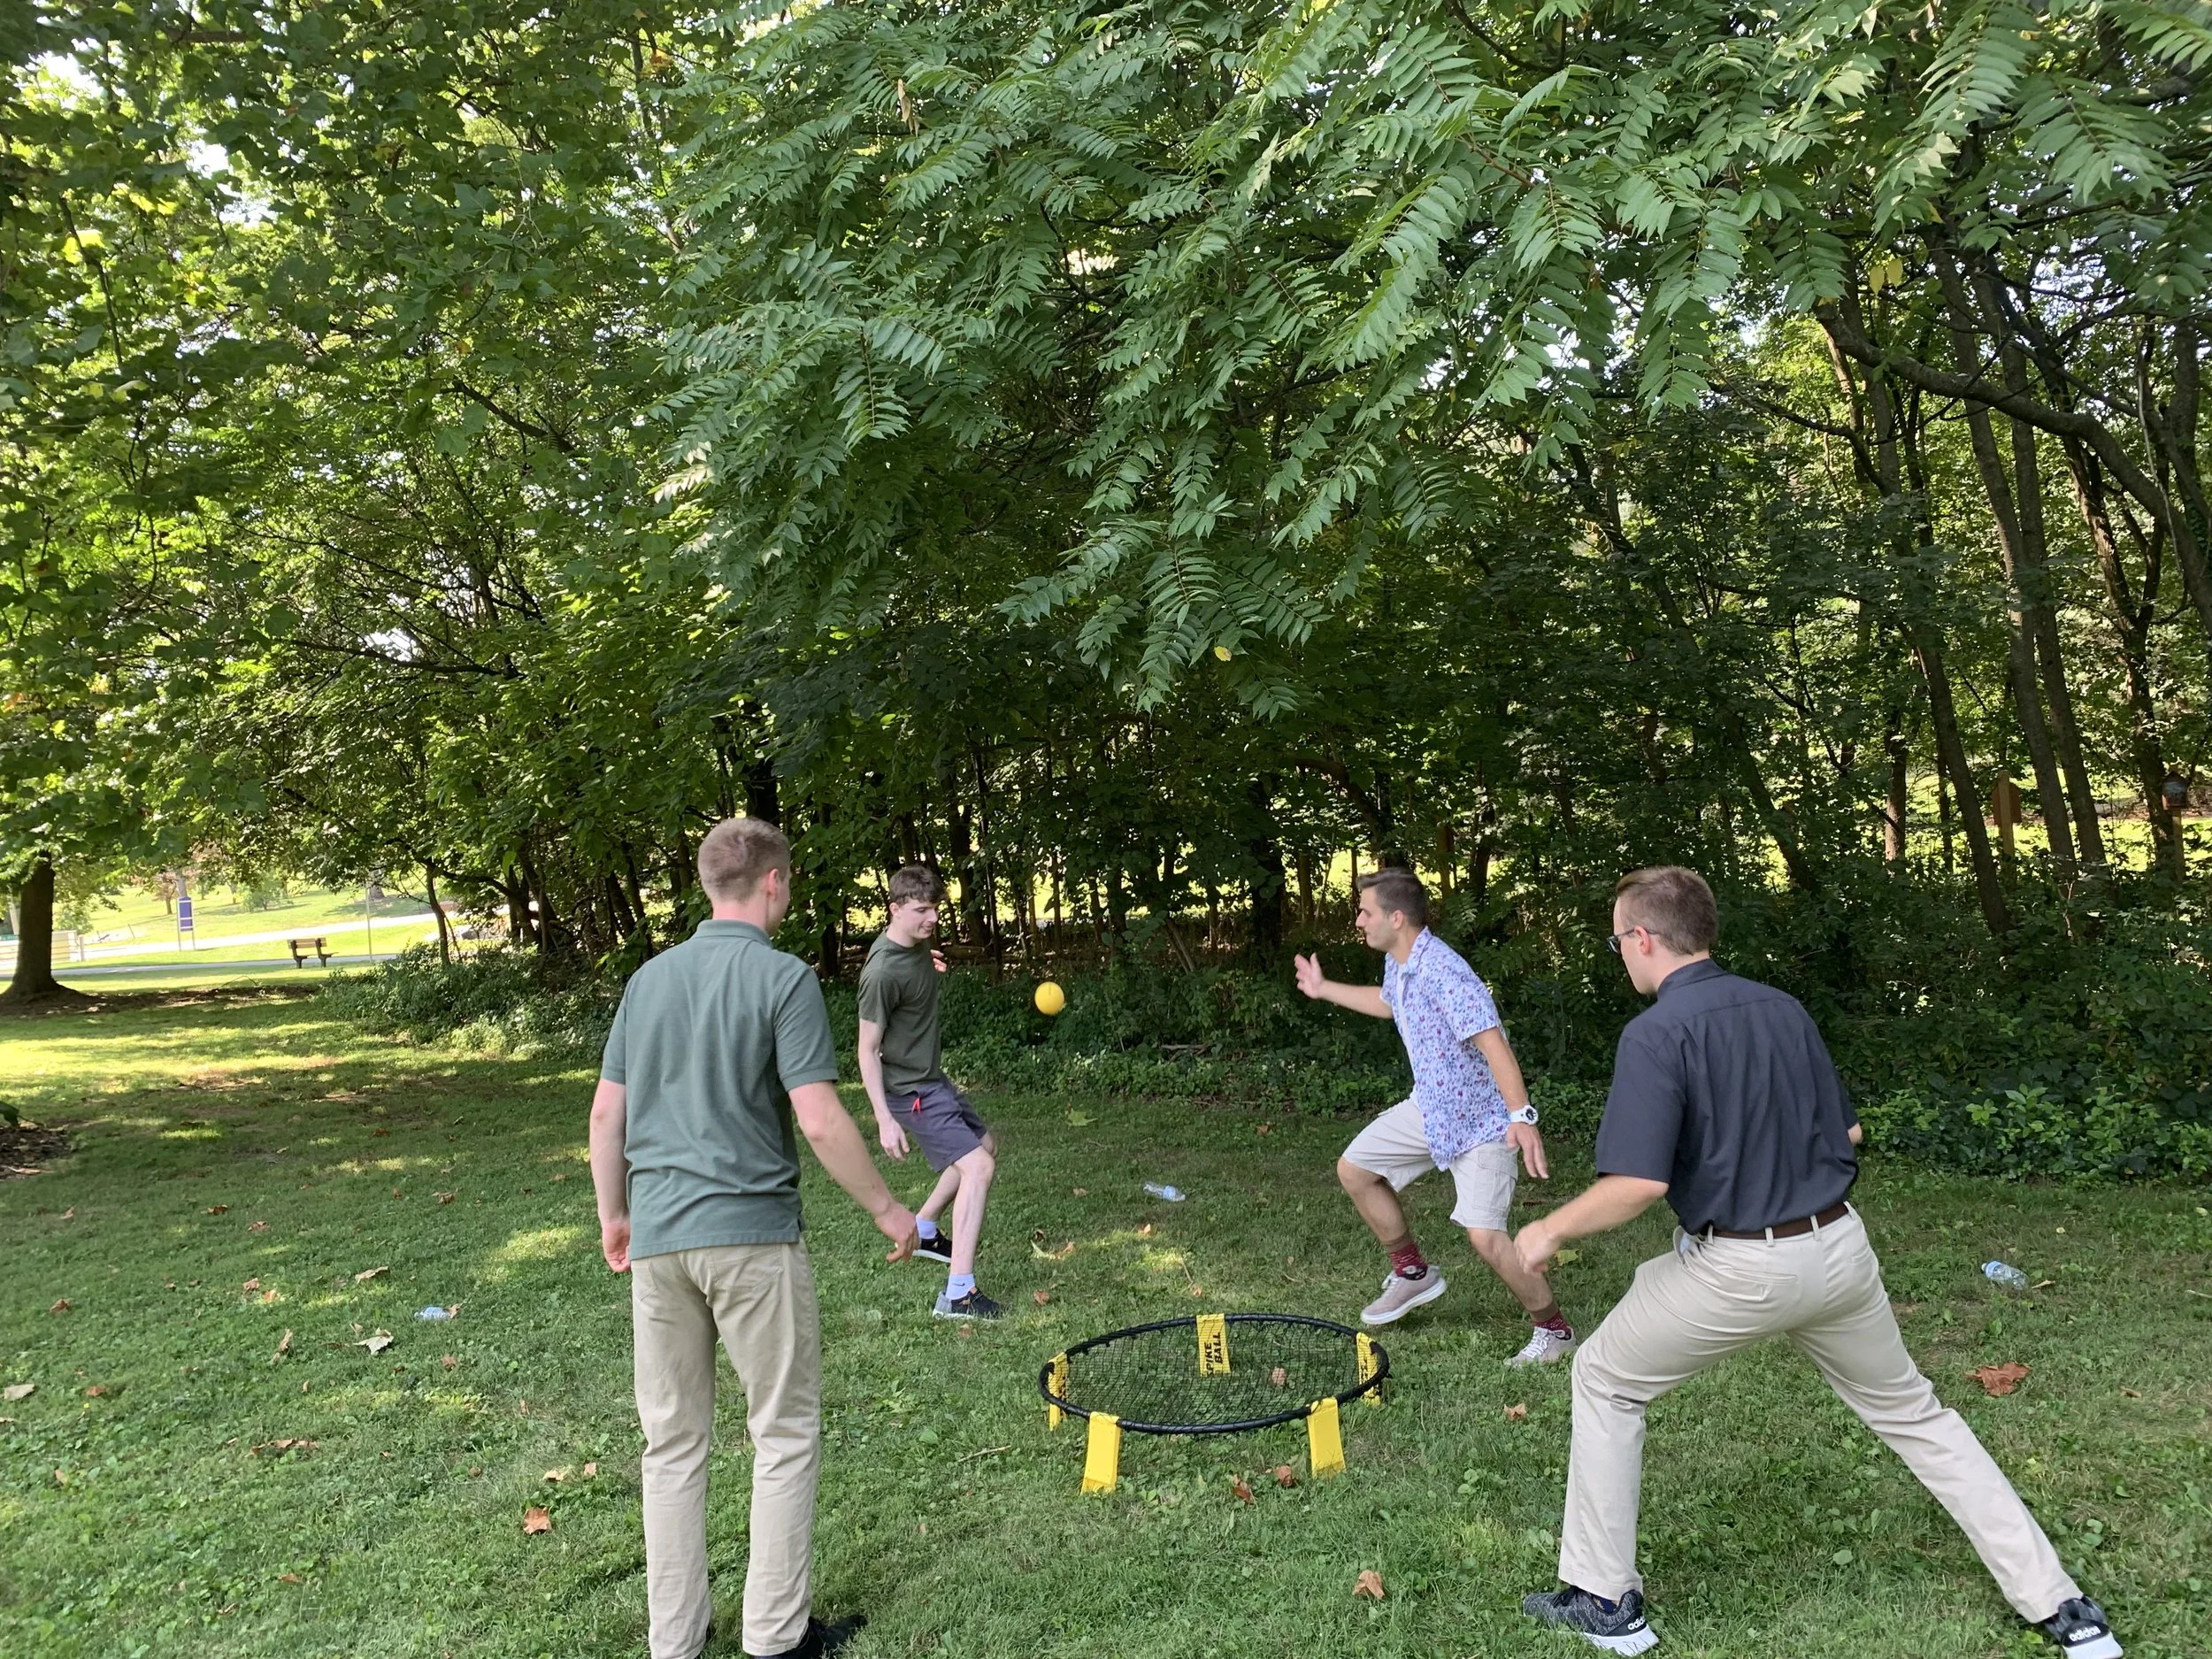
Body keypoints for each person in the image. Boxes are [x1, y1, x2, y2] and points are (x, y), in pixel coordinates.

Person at [1514, 865, 2121, 1659]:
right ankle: (2067, 1610)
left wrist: (1548, 1232)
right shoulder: (1781, 1007)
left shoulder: (1656, 1032)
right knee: (1917, 1415)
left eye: (1616, 940)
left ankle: (1605, 1601)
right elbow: (1849, 1132)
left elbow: (1636, 1183)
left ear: (1642, 938)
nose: (1620, 953)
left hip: (1745, 1270)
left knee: (1603, 1375)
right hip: (1839, 1252)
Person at [588, 817, 919, 1659]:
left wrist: (615, 1213)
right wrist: (889, 1210)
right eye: (791, 881)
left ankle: (677, 1643)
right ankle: (773, 1637)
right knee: (782, 1431)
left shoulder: (649, 980)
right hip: (752, 1241)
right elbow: (816, 1114)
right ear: (773, 882)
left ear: (709, 884)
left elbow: (605, 1111)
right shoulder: (784, 978)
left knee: (672, 1444)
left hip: (659, 1241)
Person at [1294, 868, 1572, 1365]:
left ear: (1396, 918)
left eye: (1366, 912)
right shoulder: (1400, 965)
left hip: (1482, 1124)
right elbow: (1389, 1003)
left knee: (1486, 1236)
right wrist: (1324, 989)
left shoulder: (1444, 971)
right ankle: (1412, 1273)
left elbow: (1493, 1043)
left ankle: (1554, 1331)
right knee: (1356, 1170)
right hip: (1432, 1109)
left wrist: (1521, 1116)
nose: (1359, 921)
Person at [856, 864, 1002, 1320]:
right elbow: (866, 1050)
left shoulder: (914, 945)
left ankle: (925, 1226)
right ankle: (958, 1294)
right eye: (921, 910)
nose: (931, 917)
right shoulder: (881, 974)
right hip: (910, 1090)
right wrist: (883, 1118)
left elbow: (914, 971)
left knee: (984, 1146)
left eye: (934, 908)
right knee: (978, 1167)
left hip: (931, 1078)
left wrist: (929, 962)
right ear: (894, 908)